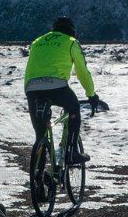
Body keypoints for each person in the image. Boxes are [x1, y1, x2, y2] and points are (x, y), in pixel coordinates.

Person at [23, 17, 107, 165]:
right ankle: (72, 153)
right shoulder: (71, 42)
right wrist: (91, 94)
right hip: (57, 87)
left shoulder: (37, 42)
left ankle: (39, 174)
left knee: (40, 134)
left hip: (32, 88)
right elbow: (82, 72)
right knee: (74, 107)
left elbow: (30, 68)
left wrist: (29, 92)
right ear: (72, 31)